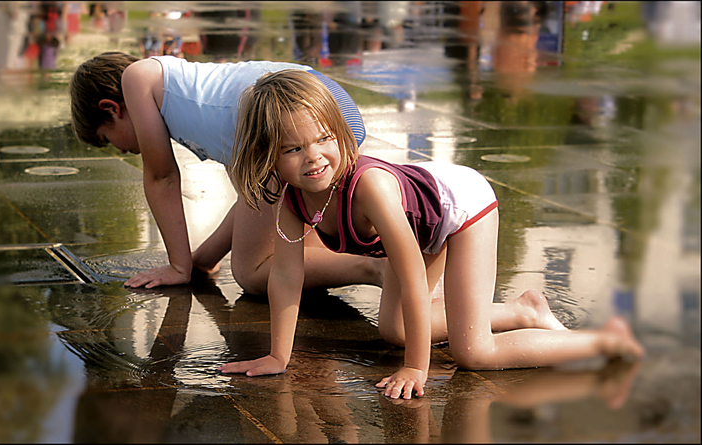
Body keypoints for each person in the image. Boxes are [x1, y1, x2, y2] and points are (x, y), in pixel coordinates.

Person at [218, 69, 645, 399]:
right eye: (293, 149)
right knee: (396, 330)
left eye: (324, 139)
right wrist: (279, 356)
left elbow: (410, 277)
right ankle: (524, 313)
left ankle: (608, 342)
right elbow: (287, 278)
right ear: (267, 156)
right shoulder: (292, 200)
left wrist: (415, 369)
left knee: (474, 353)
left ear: (340, 132)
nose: (313, 158)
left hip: (461, 207)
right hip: (423, 215)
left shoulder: (370, 190)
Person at [69, 52, 381, 293]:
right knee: (295, 247)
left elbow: (161, 177)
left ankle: (377, 267)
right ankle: (377, 262)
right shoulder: (210, 110)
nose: (119, 150)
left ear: (111, 108)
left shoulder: (138, 78)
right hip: (321, 103)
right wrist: (202, 259)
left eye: (106, 139)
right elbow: (252, 204)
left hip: (286, 115)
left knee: (253, 271)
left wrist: (179, 267)